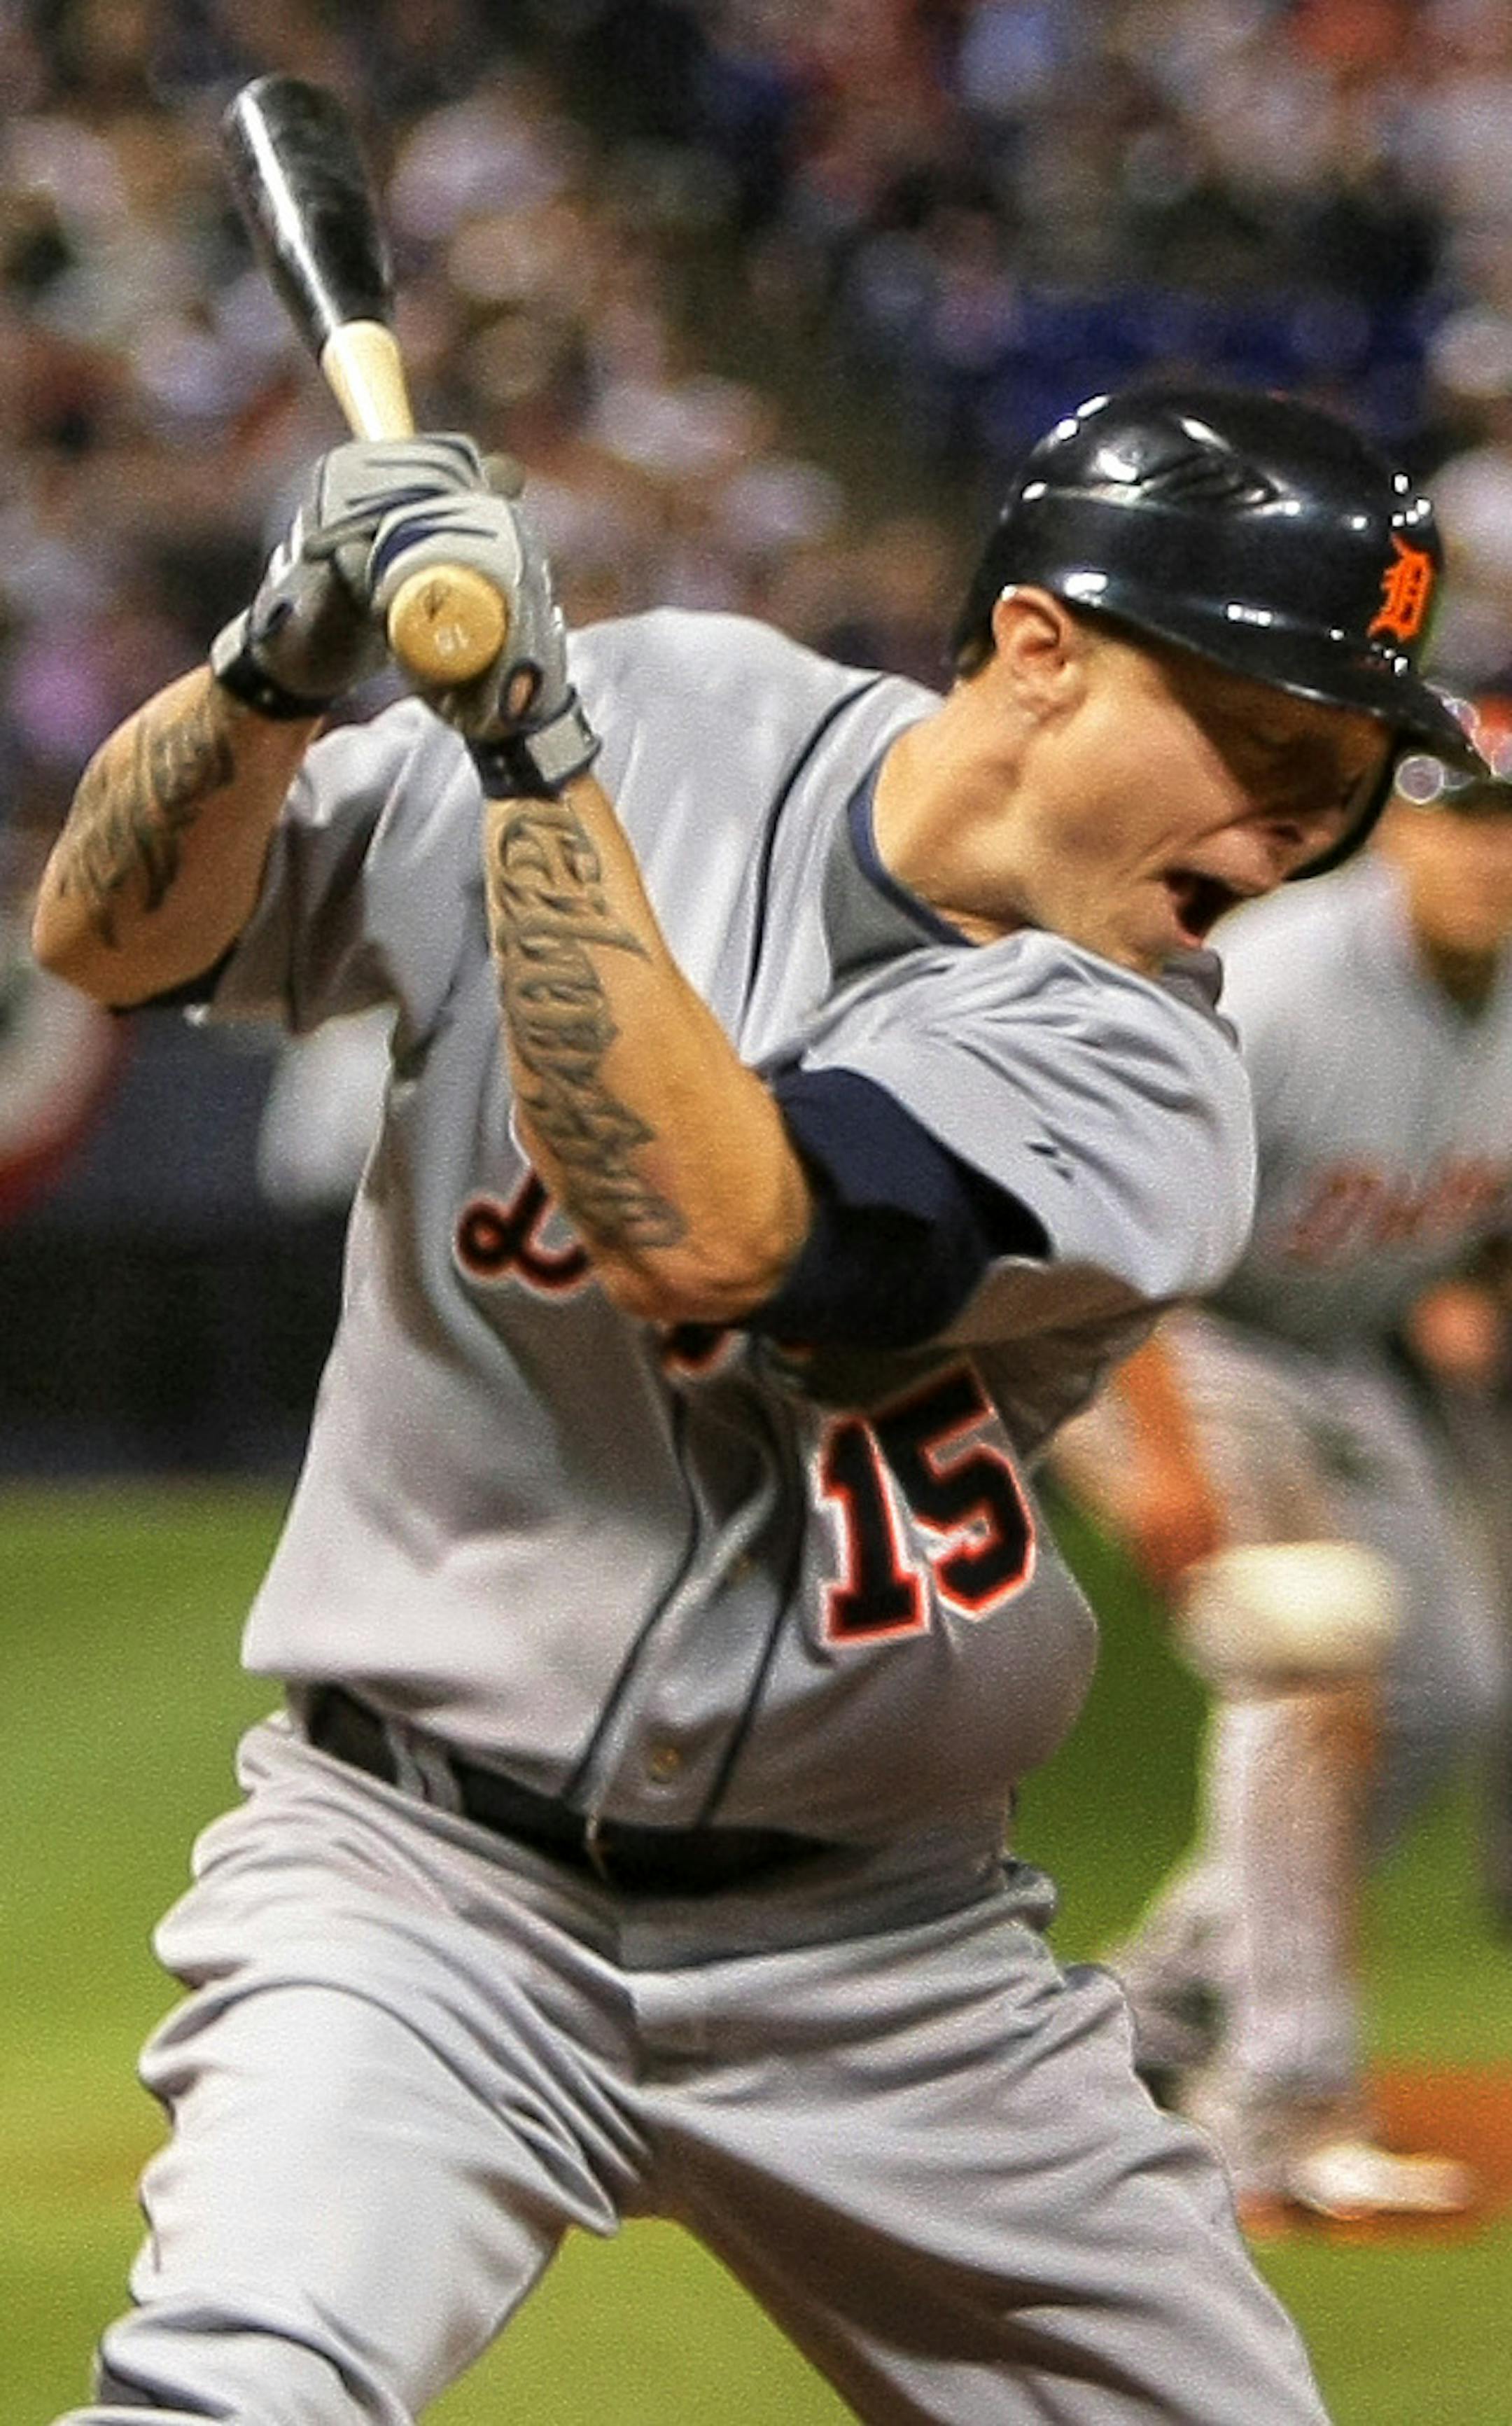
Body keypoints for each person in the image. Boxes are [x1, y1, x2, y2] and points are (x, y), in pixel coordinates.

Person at [30, 380, 1472, 2426]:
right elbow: (112, 939)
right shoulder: (670, 707)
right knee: (234, 2396)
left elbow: (711, 1232)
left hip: (890, 1970)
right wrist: (272, 671)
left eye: (1340, 778)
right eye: (1261, 744)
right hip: (420, 1892)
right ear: (1041, 651)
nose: (1294, 835)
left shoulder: (1148, 1071)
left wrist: (527, 747)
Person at [1051, 699, 1512, 2227]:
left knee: (1454, 1690)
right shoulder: (1288, 981)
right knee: (1313, 1682)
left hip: (1333, 1347)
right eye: (1462, 816)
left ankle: (1140, 2014)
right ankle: (1275, 2107)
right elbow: (1119, 1227)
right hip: (1161, 1321)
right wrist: (1157, 1463)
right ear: (1407, 827)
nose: (1488, 855)